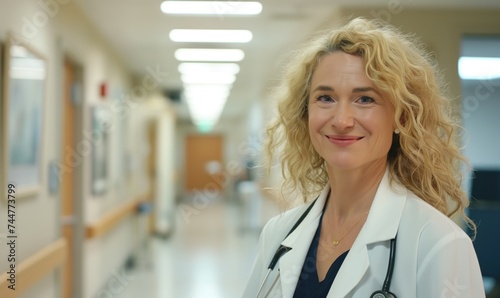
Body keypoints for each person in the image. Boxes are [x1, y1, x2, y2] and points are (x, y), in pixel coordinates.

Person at [243, 17, 485, 298]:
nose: (342, 120)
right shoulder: (278, 235)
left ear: (400, 117)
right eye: (325, 98)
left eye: (365, 99)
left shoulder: (438, 243)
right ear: (305, 114)